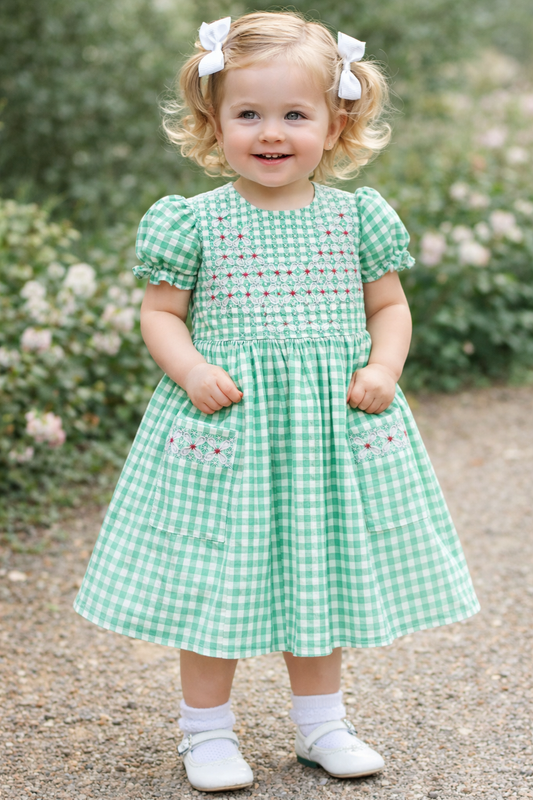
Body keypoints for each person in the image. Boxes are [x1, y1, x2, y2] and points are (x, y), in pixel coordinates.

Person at [73, 11, 480, 793]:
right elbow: (160, 314)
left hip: (326, 435)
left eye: (294, 114)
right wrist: (190, 368)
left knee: (316, 574)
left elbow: (388, 307)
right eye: (248, 114)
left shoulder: (356, 217)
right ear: (213, 121)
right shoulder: (193, 221)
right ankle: (206, 733)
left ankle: (321, 724)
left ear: (335, 124)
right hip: (228, 433)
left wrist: (384, 366)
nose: (270, 132)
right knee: (213, 581)